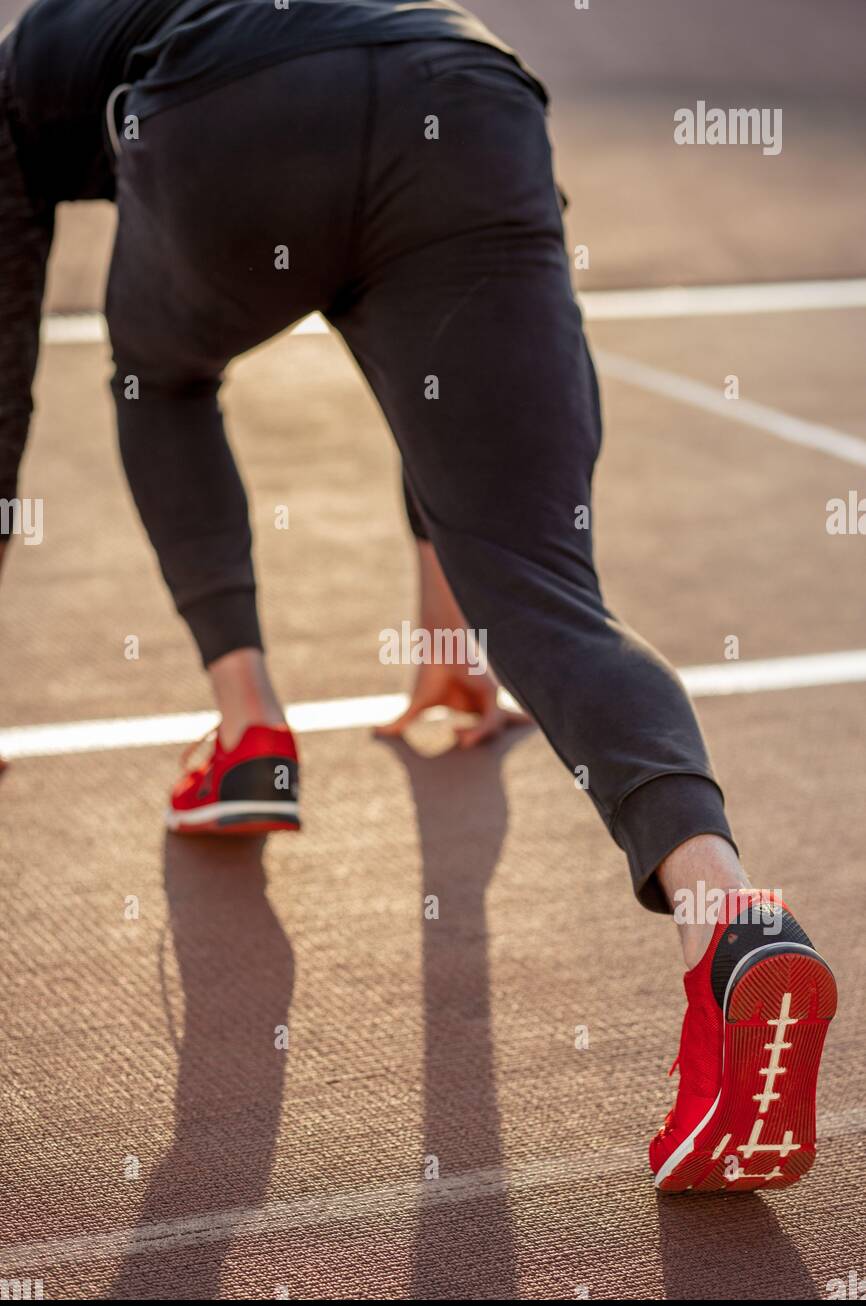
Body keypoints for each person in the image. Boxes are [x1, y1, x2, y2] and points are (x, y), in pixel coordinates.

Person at [0, 0, 835, 1191]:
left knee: (158, 379)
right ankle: (729, 915)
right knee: (543, 579)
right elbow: (437, 385)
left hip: (232, 126)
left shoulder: (29, 64)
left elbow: (2, 382)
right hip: (470, 98)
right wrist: (454, 636)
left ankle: (249, 732)